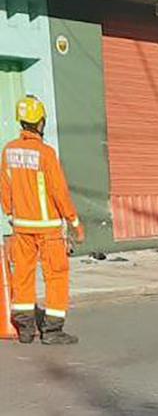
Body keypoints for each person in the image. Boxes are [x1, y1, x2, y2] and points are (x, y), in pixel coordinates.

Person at [0, 95, 84, 344]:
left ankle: (25, 330)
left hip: (22, 227)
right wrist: (74, 222)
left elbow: (4, 188)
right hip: (47, 229)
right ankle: (52, 331)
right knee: (56, 275)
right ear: (40, 123)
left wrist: (11, 214)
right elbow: (59, 191)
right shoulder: (46, 153)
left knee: (23, 274)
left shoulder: (9, 150)